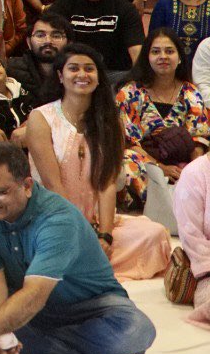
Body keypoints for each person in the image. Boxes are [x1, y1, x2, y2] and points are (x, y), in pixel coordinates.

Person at [0, 142, 155, 354]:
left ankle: (26, 341)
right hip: (24, 307)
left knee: (135, 332)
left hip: (89, 307)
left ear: (27, 186)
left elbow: (34, 295)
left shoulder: (57, 219)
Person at [26, 45, 170, 280]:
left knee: (155, 235)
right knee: (52, 247)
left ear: (98, 77)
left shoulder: (109, 120)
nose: (82, 74)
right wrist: (79, 231)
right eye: (74, 68)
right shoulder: (41, 118)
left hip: (96, 219)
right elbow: (53, 186)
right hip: (53, 218)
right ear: (61, 76)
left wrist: (105, 236)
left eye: (89, 69)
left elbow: (107, 184)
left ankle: (86, 261)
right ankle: (82, 261)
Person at [116, 29, 209, 203]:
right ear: (147, 57)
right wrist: (161, 168)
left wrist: (191, 172)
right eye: (156, 51)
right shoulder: (130, 92)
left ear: (180, 57)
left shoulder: (190, 92)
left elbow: (198, 138)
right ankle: (161, 203)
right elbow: (129, 142)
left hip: (183, 162)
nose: (163, 56)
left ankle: (190, 202)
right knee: (126, 160)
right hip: (145, 162)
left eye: (169, 51)